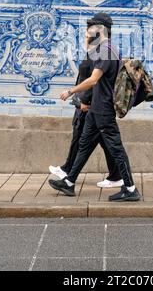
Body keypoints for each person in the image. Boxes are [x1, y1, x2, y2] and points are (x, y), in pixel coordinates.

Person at [49, 12, 141, 202]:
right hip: (95, 108)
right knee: (84, 144)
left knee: (116, 148)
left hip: (103, 109)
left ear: (100, 31)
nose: (88, 32)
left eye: (91, 29)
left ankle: (130, 188)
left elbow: (93, 79)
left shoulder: (106, 51)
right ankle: (69, 182)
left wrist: (70, 91)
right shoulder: (103, 49)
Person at [49, 55, 123, 188]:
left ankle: (126, 184)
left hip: (92, 107)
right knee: (88, 143)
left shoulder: (102, 55)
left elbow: (94, 82)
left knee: (99, 144)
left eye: (89, 36)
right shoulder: (97, 54)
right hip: (92, 107)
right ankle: (69, 177)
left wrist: (82, 101)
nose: (86, 39)